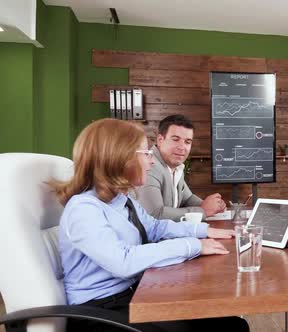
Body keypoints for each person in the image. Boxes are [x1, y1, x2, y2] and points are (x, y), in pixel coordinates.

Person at [52, 119, 249, 332]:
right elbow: (123, 261)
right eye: (145, 153)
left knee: (231, 324)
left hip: (132, 293)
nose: (151, 161)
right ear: (119, 157)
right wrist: (194, 245)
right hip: (100, 313)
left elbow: (155, 228)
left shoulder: (121, 200)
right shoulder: (84, 209)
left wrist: (205, 231)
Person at [135, 114, 226, 221]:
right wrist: (203, 211)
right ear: (160, 140)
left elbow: (188, 198)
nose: (182, 147)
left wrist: (212, 205)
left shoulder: (175, 166)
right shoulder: (149, 167)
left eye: (187, 142)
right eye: (175, 139)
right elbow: (155, 214)